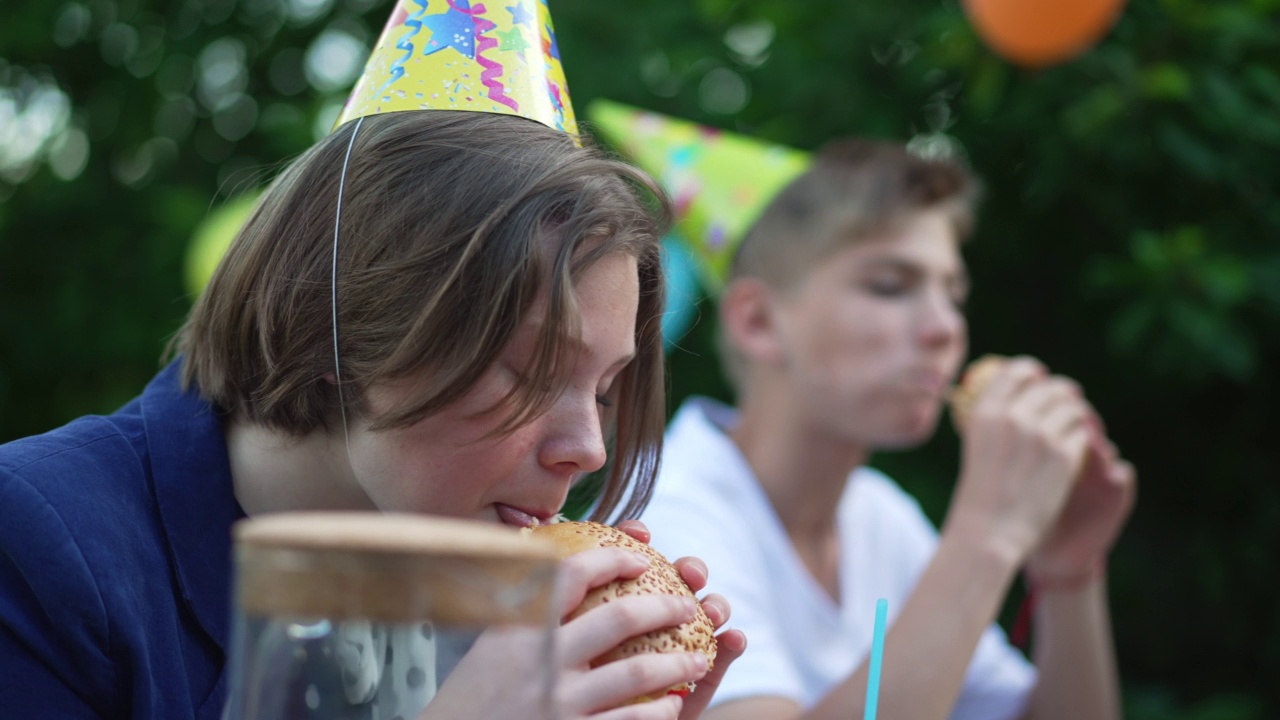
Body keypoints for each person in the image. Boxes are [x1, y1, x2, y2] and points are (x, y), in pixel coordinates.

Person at [0, 4, 746, 719]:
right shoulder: (37, 540)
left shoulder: (495, 614)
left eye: (606, 391)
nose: (587, 451)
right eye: (532, 372)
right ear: (351, 327)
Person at [592, 103, 1136, 720]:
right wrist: (989, 532)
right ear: (759, 321)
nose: (945, 329)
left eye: (953, 294)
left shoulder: (880, 517)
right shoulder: (662, 513)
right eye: (890, 286)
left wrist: (1070, 571)